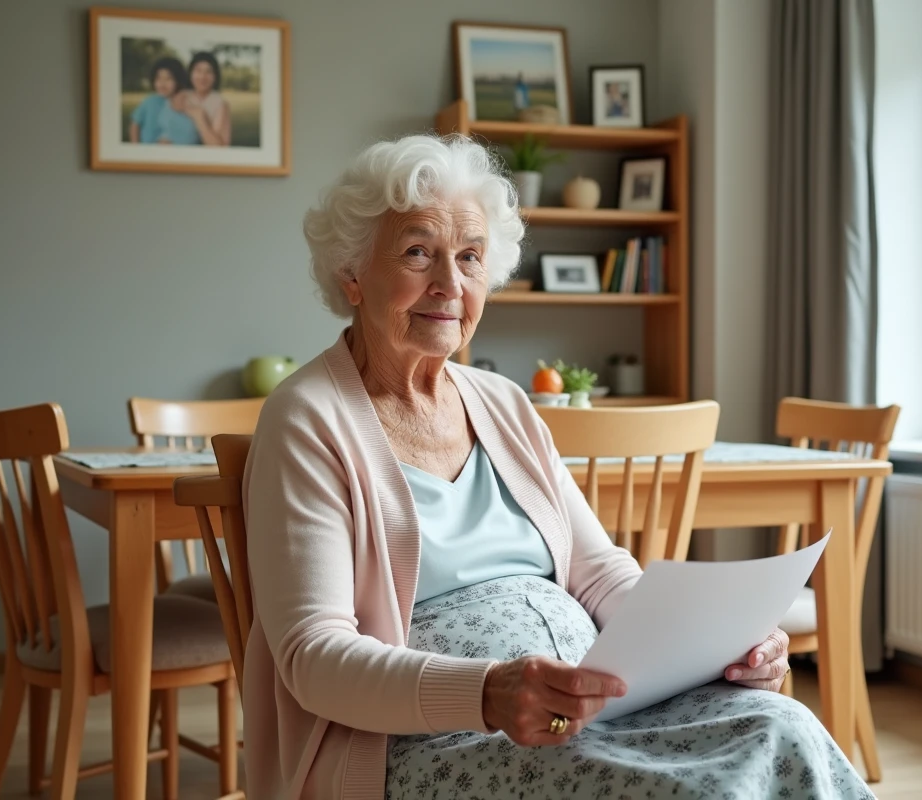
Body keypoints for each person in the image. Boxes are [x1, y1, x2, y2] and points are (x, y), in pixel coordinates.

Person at [243, 134, 875, 799]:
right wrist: (487, 693)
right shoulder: (307, 419)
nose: (450, 285)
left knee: (783, 724)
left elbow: (599, 574)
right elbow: (314, 657)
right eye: (418, 252)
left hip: (595, 703)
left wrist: (713, 643)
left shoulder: (504, 403)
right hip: (434, 739)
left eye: (470, 257)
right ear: (351, 274)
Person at [128, 57, 200, 145]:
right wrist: (135, 146)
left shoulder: (183, 101)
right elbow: (135, 124)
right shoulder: (150, 101)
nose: (162, 83)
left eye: (168, 79)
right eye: (158, 78)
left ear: (178, 80)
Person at [183, 51, 231, 146]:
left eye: (208, 72)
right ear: (190, 73)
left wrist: (199, 118)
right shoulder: (182, 97)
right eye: (198, 71)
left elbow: (219, 147)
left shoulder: (220, 103)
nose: (202, 77)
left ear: (215, 76)